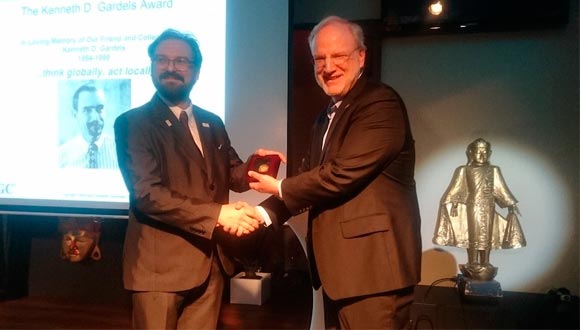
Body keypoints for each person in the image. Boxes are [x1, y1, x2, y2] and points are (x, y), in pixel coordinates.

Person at [249, 16, 422, 329]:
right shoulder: (325, 117)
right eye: (319, 58)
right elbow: (310, 177)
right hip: (341, 274)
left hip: (373, 276)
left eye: (339, 55)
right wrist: (257, 216)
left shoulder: (380, 104)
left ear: (361, 56)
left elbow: (340, 174)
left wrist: (279, 186)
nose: (328, 66)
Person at [114, 29, 278, 329]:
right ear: (151, 66)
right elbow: (148, 194)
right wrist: (218, 214)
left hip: (212, 263)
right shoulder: (133, 123)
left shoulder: (211, 122)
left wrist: (260, 166)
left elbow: (230, 173)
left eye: (181, 61)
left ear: (197, 71)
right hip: (158, 270)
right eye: (162, 59)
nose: (171, 67)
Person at [432, 138, 526, 281]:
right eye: (478, 152)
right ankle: (473, 262)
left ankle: (485, 261)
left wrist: (511, 204)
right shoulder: (464, 170)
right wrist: (453, 204)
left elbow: (501, 189)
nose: (482, 156)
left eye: (485, 152)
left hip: (488, 206)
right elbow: (456, 188)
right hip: (473, 205)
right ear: (471, 153)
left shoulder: (494, 170)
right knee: (473, 234)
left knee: (487, 234)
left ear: (490, 153)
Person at [59, 82, 118, 169]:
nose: (95, 118)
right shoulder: (61, 157)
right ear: (75, 114)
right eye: (87, 110)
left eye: (99, 109)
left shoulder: (120, 152)